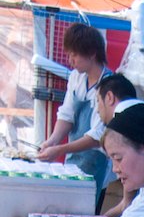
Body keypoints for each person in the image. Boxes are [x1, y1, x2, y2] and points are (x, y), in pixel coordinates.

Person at [37, 23, 111, 193]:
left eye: (74, 55)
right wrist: (52, 141)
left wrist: (59, 150)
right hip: (73, 157)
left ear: (92, 53)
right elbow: (67, 114)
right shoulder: (76, 78)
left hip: (95, 160)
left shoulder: (109, 85)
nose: (70, 61)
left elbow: (96, 137)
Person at [95, 74, 139, 217]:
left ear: (109, 97)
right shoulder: (136, 113)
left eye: (97, 101)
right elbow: (127, 204)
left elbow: (128, 205)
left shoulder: (124, 120)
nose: (115, 169)